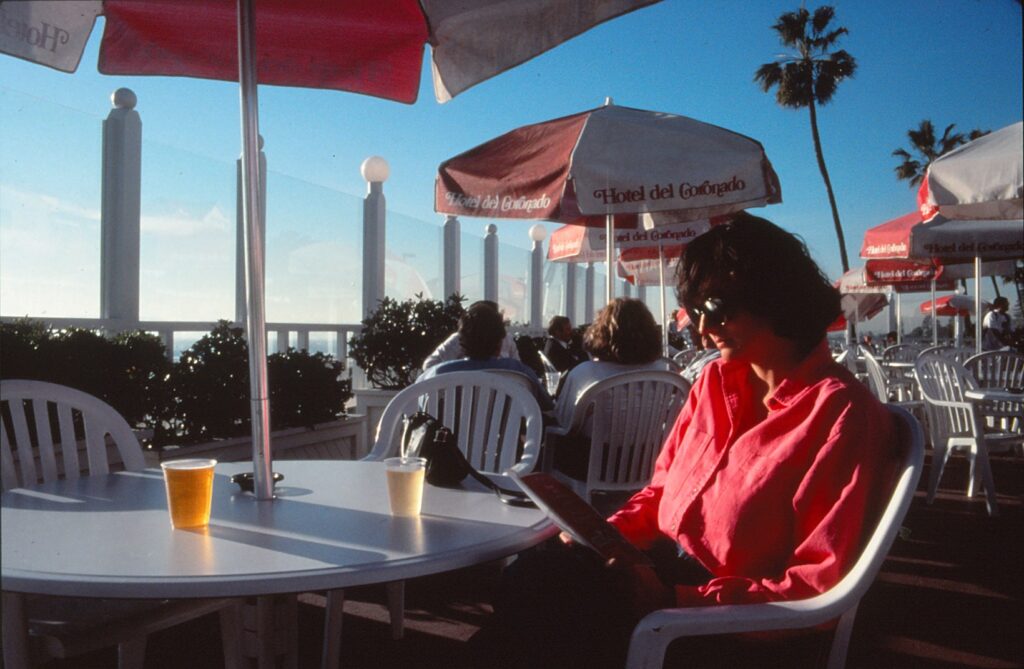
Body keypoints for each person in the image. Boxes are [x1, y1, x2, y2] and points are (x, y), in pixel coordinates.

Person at [473, 213, 901, 668]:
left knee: (541, 609)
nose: (700, 330)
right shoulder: (713, 382)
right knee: (534, 575)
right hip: (663, 575)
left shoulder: (840, 415)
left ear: (771, 292)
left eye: (713, 308)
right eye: (694, 312)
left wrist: (673, 598)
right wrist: (604, 539)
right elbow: (660, 495)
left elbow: (816, 587)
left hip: (733, 627)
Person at [549, 298, 670, 478]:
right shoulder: (664, 373)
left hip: (594, 468)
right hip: (648, 465)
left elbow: (564, 421)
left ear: (600, 333)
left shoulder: (586, 373)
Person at [418, 302, 553, 411]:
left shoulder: (437, 374)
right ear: (500, 341)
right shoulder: (521, 373)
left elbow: (421, 405)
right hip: (505, 442)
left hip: (450, 441)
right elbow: (546, 405)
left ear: (461, 341)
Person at [421, 300, 520, 370]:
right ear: (499, 344)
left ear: (463, 344)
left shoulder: (441, 372)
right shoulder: (519, 372)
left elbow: (429, 366)